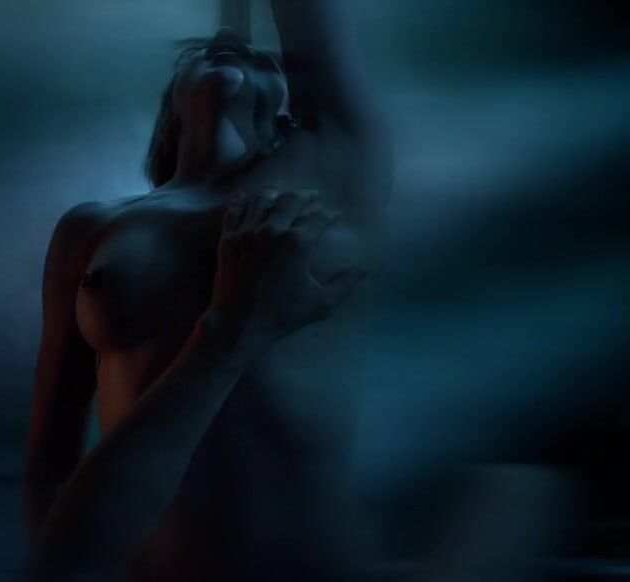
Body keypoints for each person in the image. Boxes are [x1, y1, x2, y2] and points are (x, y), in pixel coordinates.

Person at [21, 1, 390, 579]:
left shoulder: (325, 174)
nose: (228, 44)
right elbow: (50, 454)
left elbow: (313, 23)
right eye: (203, 54)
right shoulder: (92, 227)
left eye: (263, 61)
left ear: (287, 112)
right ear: (171, 109)